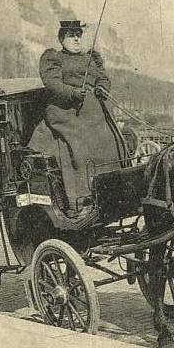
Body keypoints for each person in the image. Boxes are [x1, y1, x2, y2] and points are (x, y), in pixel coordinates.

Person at [30, 20, 128, 215]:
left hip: (94, 112)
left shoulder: (91, 58)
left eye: (78, 35)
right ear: (61, 39)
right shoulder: (53, 58)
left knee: (112, 141)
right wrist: (72, 93)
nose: (76, 38)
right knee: (80, 146)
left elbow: (103, 78)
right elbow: (52, 83)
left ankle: (113, 193)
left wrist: (102, 87)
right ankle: (82, 198)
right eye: (70, 35)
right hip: (66, 112)